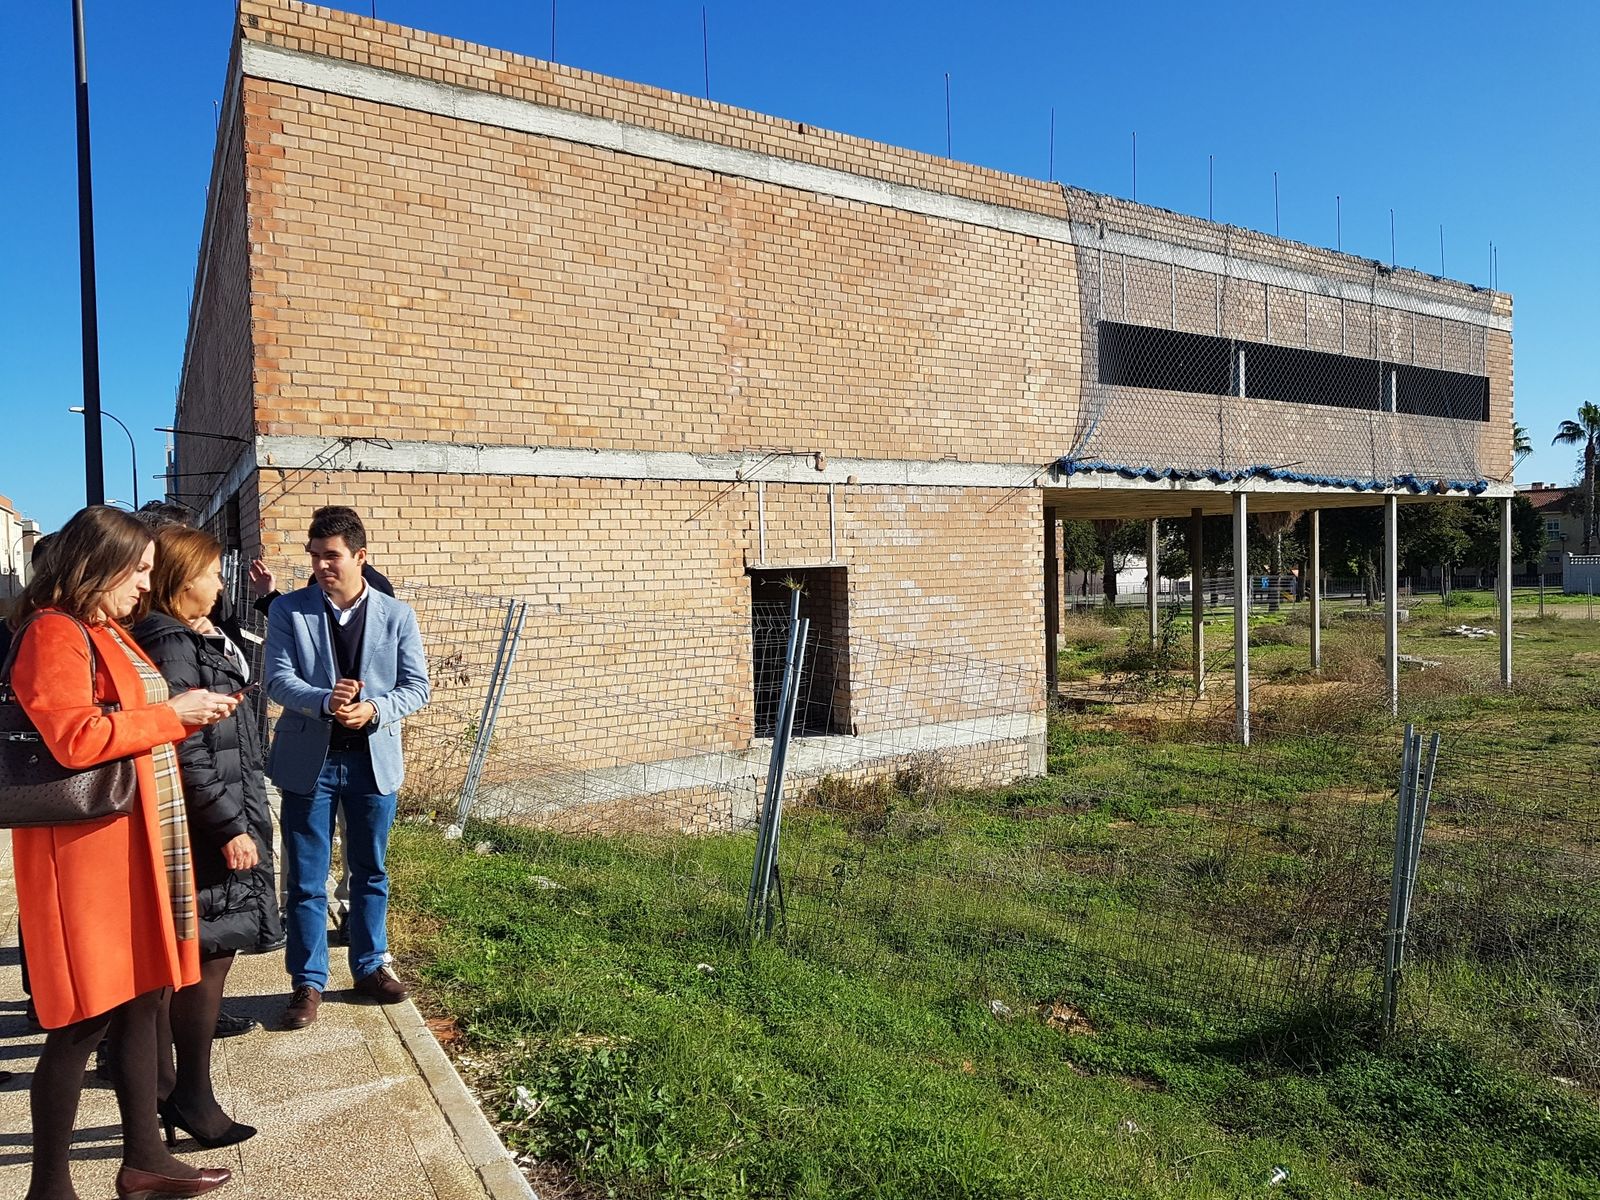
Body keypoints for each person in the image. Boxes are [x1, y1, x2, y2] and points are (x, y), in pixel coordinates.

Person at [7, 505, 239, 1200]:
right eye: (136, 570)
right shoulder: (53, 632)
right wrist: (177, 715)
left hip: (130, 849)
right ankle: (49, 1187)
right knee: (82, 1020)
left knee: (142, 1002)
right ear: (97, 565)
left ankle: (145, 1160)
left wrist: (183, 704)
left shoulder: (103, 628)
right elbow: (74, 738)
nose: (146, 584)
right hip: (85, 859)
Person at [133, 525, 284, 1149]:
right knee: (203, 957)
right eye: (213, 573)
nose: (221, 584)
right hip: (205, 829)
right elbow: (187, 747)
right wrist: (230, 826)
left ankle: (169, 1085)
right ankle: (190, 1095)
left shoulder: (190, 636)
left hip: (212, 816)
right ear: (181, 578)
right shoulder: (170, 642)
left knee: (191, 957)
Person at [264, 506, 429, 1029]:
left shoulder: (396, 615)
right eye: (314, 557)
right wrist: (323, 700)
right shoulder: (289, 611)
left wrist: (375, 709)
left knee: (370, 872)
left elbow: (417, 687)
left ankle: (369, 966)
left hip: (371, 766)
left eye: (331, 556)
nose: (320, 566)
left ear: (361, 556)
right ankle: (307, 984)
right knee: (307, 881)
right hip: (310, 763)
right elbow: (276, 680)